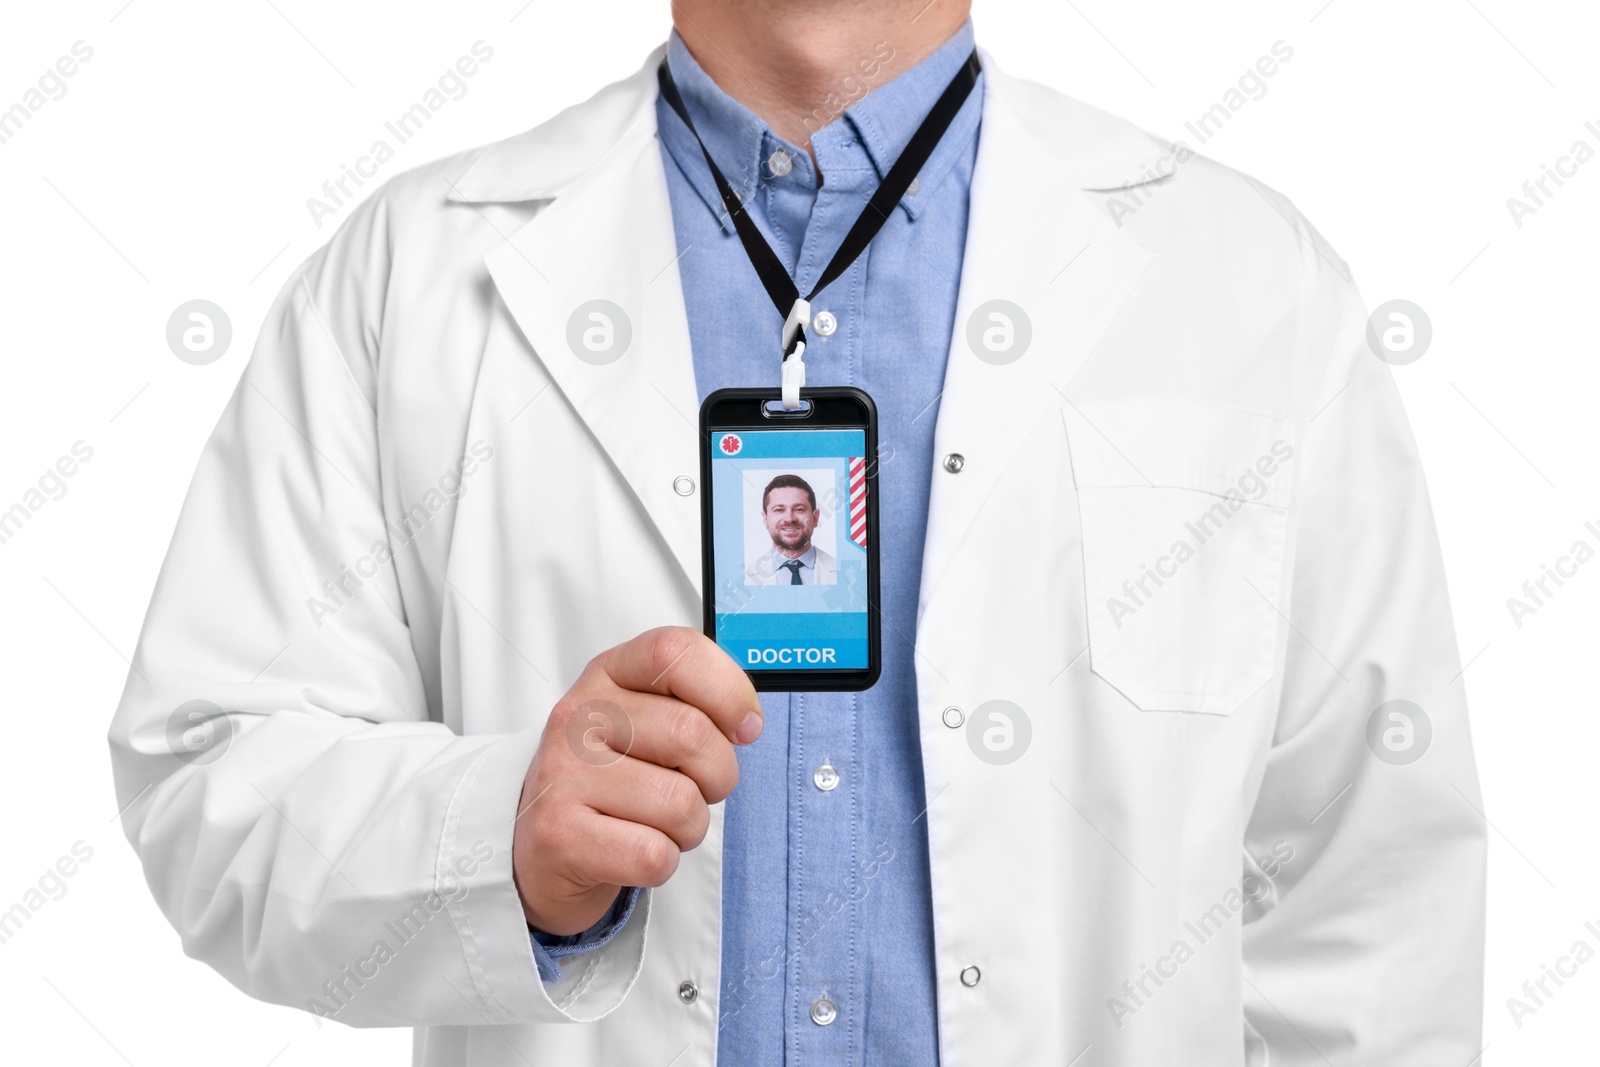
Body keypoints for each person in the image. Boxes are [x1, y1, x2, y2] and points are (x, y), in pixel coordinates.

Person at [108, 1, 1486, 1064]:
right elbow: (208, 773)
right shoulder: (411, 276)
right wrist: (498, 837)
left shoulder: (1250, 289)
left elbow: (1369, 898)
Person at [749, 474, 838, 585]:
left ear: (815, 518)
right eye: (779, 510)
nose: (789, 519)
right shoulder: (747, 577)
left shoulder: (842, 571)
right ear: (765, 519)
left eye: (799, 509)